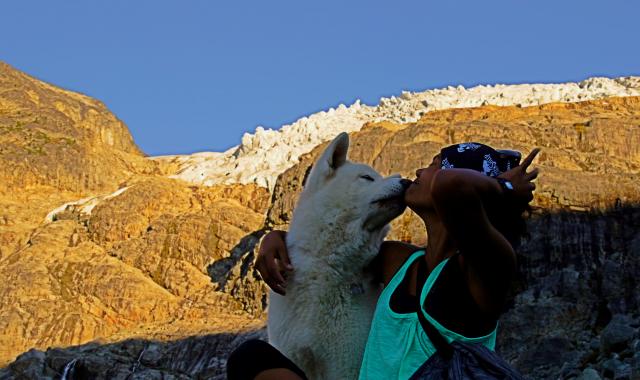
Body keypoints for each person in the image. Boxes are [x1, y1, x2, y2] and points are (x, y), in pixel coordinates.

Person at [227, 142, 540, 380]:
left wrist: (505, 188)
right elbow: (331, 248)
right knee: (250, 358)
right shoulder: (400, 262)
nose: (418, 173)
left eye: (435, 166)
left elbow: (451, 187)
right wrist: (276, 238)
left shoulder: (486, 269)